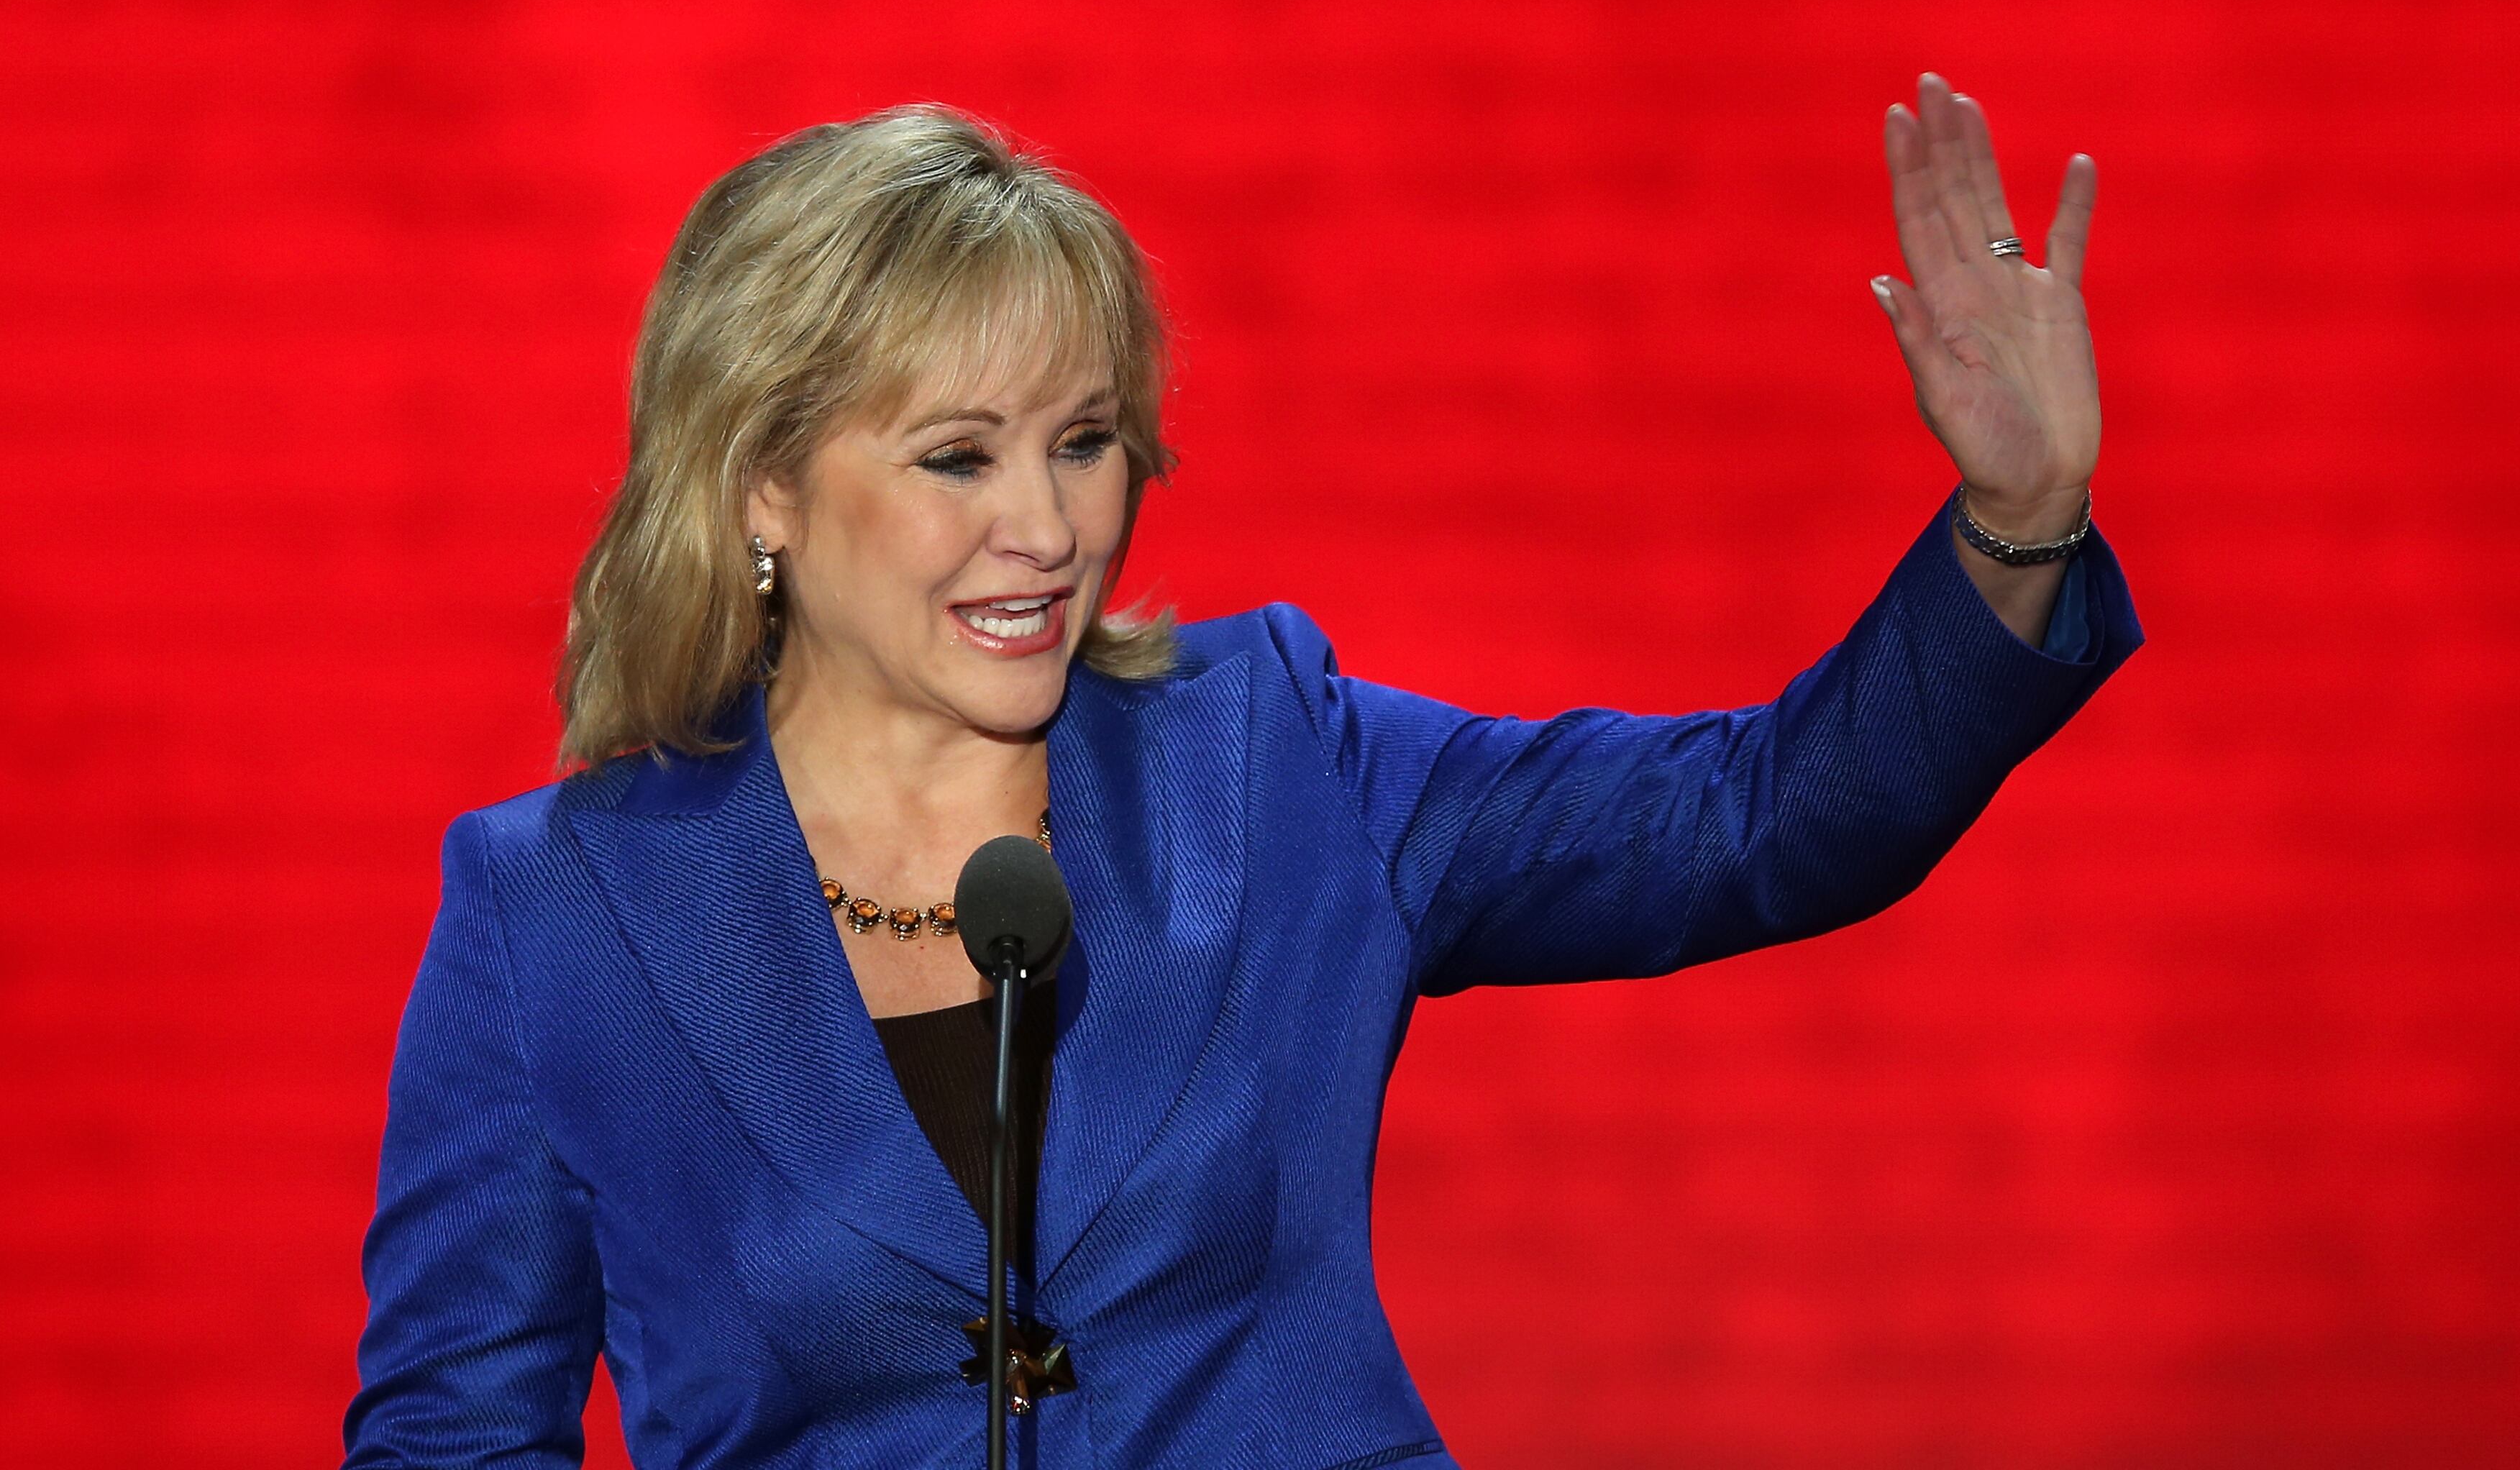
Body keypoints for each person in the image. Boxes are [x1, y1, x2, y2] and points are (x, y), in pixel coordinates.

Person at [343, 73, 2140, 1469]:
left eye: (1088, 441)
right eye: (960, 457)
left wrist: (2016, 523)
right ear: (763, 485)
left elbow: (1765, 821)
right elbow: (450, 1434)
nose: (1046, 527)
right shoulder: (555, 911)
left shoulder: (1274, 756)